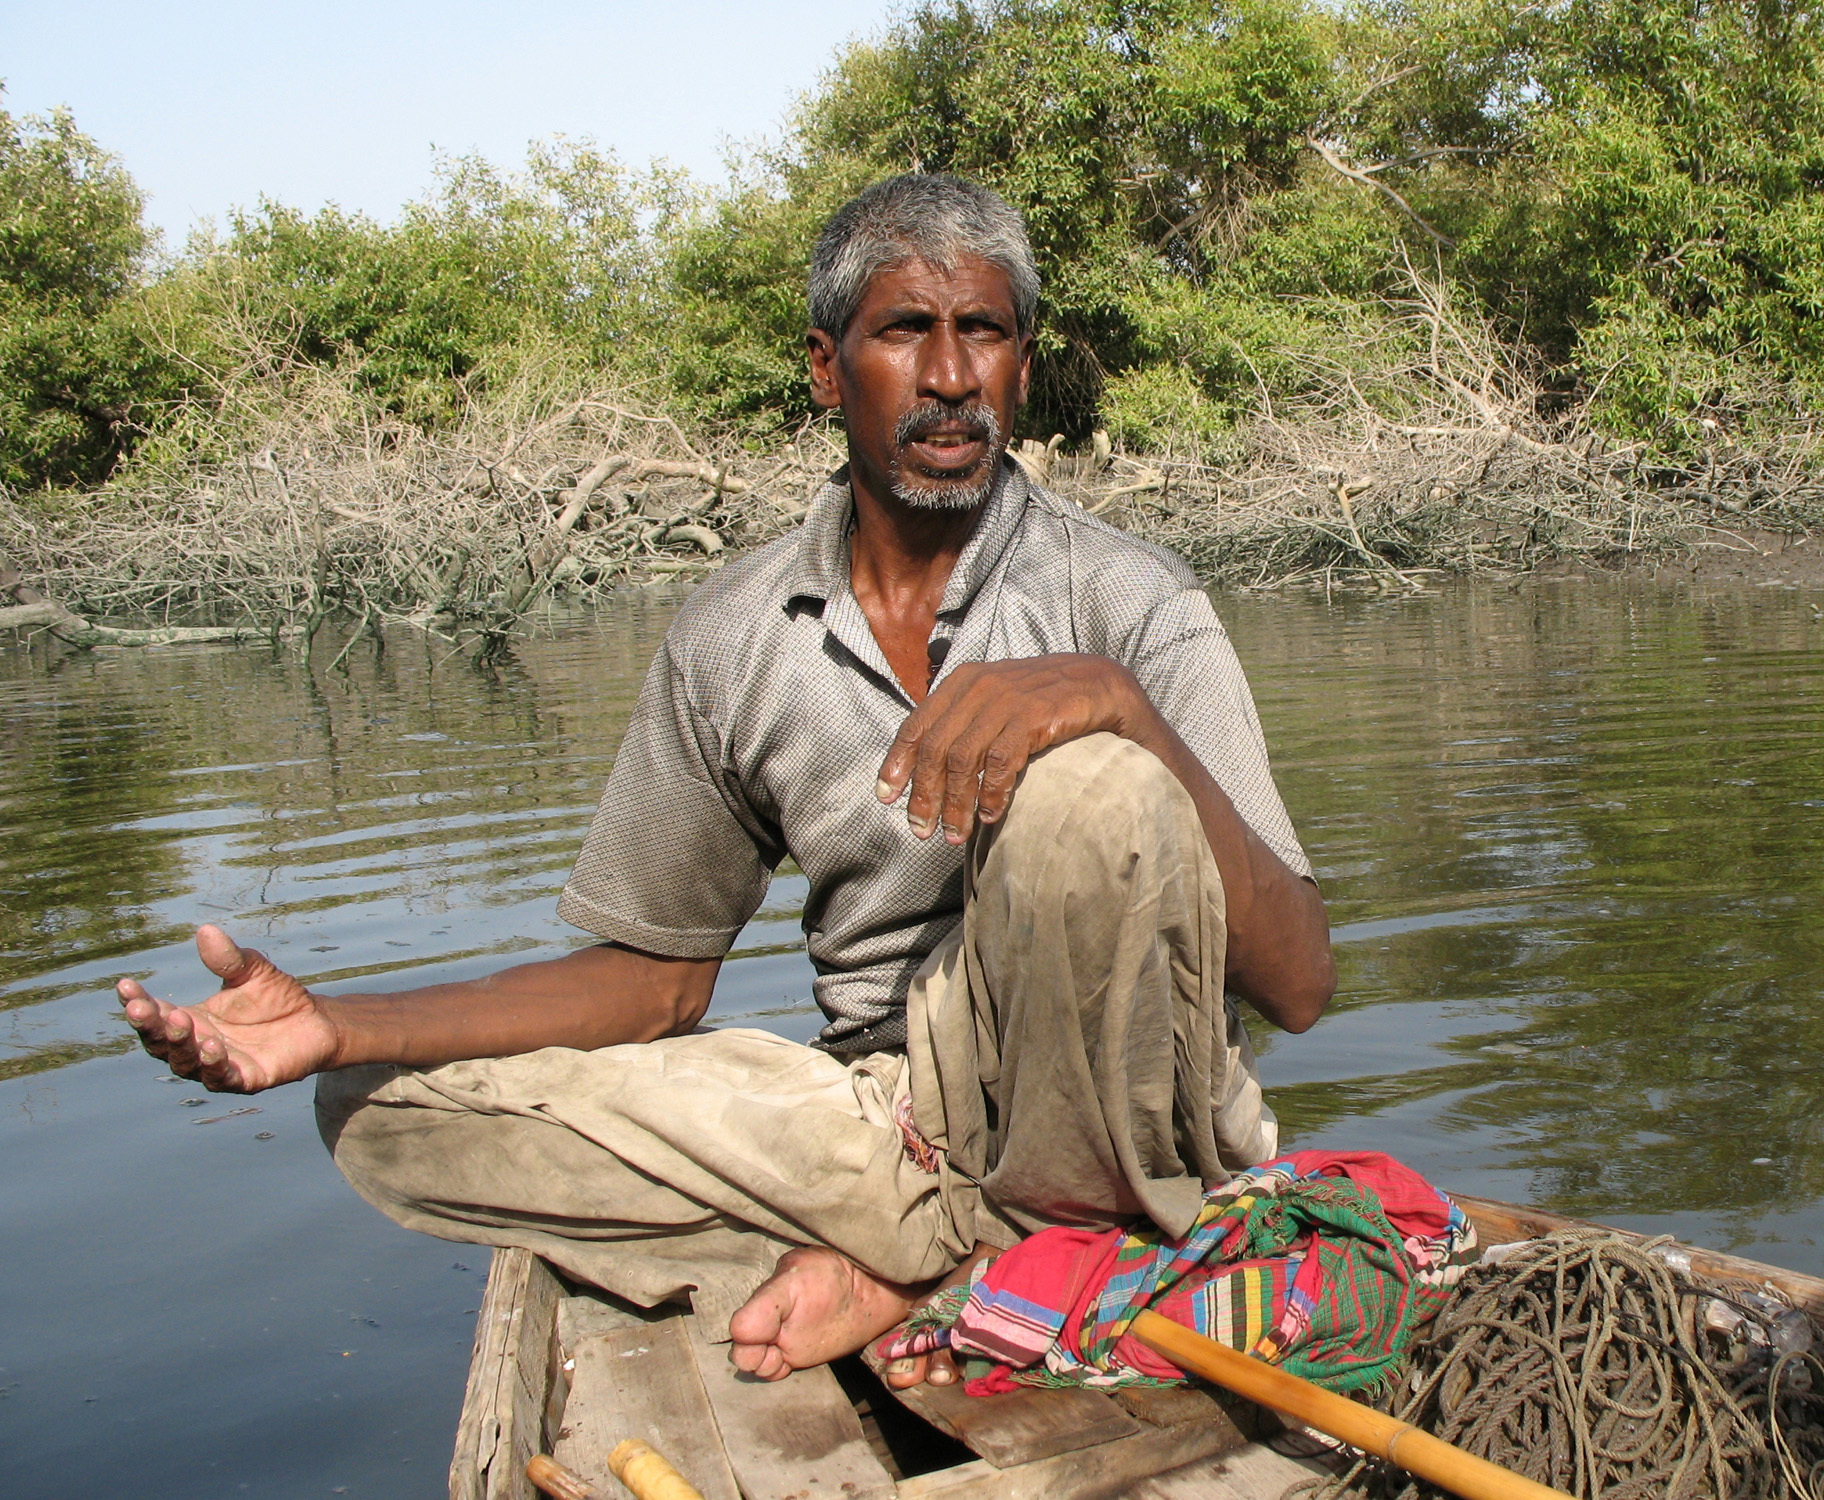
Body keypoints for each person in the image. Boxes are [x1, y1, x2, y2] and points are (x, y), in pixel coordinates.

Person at [116, 172, 1335, 1391]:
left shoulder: (1132, 602)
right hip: (889, 1125)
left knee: (1094, 792)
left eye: (987, 333)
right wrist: (342, 1022)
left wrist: (1118, 709)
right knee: (378, 1110)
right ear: (825, 366)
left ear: (1021, 365)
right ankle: (941, 1256)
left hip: (1131, 1113)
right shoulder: (734, 633)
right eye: (907, 329)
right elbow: (655, 981)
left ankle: (991, 1252)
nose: (953, 376)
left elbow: (1299, 984)